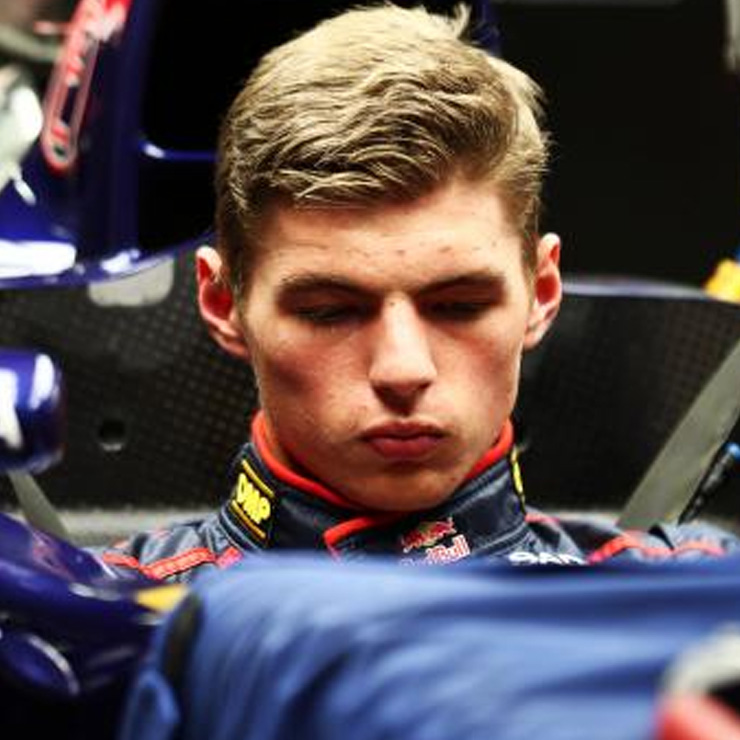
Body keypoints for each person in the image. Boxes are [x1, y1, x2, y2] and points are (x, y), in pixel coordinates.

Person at [99, 2, 739, 582]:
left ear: (542, 291)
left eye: (459, 306)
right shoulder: (97, 614)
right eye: (329, 312)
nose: (403, 370)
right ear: (223, 304)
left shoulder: (691, 596)